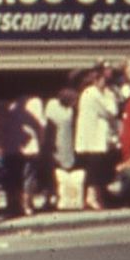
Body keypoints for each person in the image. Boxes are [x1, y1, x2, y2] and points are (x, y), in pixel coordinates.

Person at [73, 64, 121, 210]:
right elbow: (111, 111)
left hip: (100, 138)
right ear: (96, 80)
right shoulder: (91, 94)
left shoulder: (102, 93)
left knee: (98, 169)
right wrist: (110, 97)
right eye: (102, 80)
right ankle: (91, 197)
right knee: (94, 169)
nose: (105, 83)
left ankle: (97, 196)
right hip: (93, 139)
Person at [45, 84, 80, 212]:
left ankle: (57, 198)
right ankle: (53, 198)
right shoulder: (60, 109)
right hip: (57, 144)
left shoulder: (67, 110)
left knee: (58, 175)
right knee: (55, 175)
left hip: (63, 144)